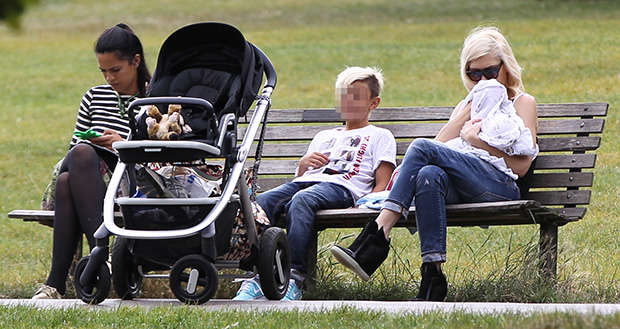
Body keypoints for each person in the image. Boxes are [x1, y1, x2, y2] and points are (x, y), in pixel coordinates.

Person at [330, 26, 539, 302]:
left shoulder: (522, 103)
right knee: (428, 175)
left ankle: (378, 233)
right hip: (464, 185)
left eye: (490, 72)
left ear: (506, 67)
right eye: (473, 74)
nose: (482, 80)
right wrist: (464, 113)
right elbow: (437, 150)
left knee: (420, 147)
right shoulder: (466, 105)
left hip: (500, 186)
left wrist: (478, 142)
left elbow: (520, 167)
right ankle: (433, 277)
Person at [233, 66, 397, 301]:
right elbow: (302, 179)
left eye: (357, 97)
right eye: (344, 95)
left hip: (343, 189)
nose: (348, 101)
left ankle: (293, 277)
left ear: (374, 103)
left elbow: (383, 182)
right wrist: (303, 164)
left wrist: (364, 207)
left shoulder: (380, 135)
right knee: (262, 202)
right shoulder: (323, 136)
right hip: (309, 183)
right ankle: (261, 275)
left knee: (301, 201)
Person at [32, 23, 151, 299]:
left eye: (115, 70)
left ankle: (57, 283)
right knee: (76, 161)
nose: (109, 78)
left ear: (135, 61)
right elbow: (74, 151)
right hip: (89, 176)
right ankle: (102, 258)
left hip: (132, 180)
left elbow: (158, 155)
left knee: (68, 179)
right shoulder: (93, 96)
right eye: (103, 71)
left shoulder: (154, 97)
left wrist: (121, 143)